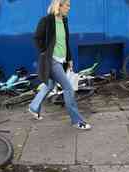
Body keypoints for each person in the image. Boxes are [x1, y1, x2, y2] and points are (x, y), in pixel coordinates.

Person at [28, 0, 91, 130]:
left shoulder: (64, 21)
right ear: (59, 5)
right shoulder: (47, 20)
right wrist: (45, 53)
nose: (69, 8)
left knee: (50, 84)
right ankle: (77, 121)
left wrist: (69, 59)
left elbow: (66, 42)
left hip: (62, 60)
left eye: (69, 6)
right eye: (67, 5)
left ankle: (34, 106)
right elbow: (36, 38)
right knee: (68, 88)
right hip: (52, 60)